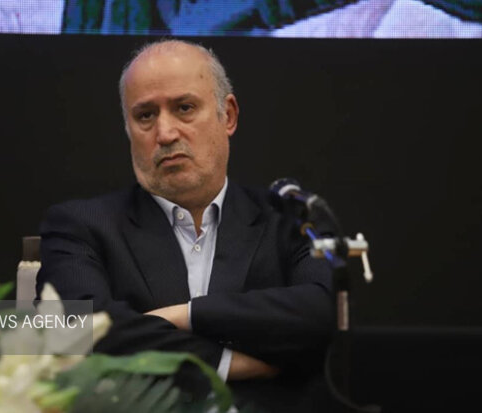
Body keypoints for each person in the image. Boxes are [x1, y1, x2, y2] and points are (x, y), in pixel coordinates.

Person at [36, 39, 334, 412]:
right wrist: (226, 362)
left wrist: (187, 315)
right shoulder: (82, 225)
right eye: (145, 115)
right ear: (128, 129)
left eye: (184, 108)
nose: (165, 133)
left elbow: (325, 314)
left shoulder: (290, 219)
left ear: (228, 115)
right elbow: (74, 329)